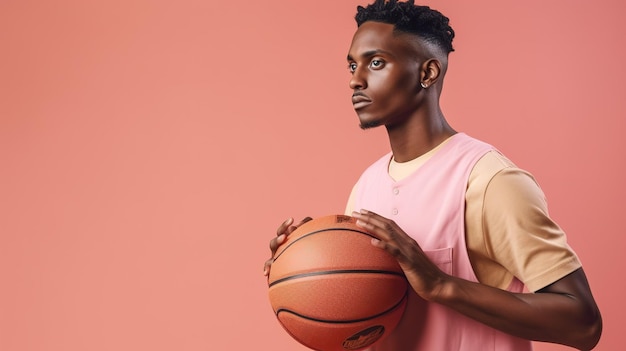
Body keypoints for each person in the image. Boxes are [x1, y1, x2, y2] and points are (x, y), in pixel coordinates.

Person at [263, 0, 602, 350]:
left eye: (375, 62)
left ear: (427, 73)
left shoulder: (489, 180)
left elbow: (582, 324)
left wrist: (442, 285)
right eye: (352, 64)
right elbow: (365, 322)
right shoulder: (367, 185)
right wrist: (305, 271)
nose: (355, 80)